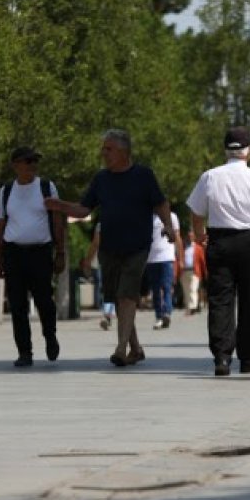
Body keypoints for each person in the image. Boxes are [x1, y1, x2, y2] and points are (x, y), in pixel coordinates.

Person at [46, 129, 175, 367]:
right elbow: (84, 210)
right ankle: (136, 348)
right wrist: (59, 205)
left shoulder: (143, 175)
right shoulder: (101, 179)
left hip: (137, 247)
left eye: (108, 149)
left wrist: (168, 225)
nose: (103, 153)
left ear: (124, 152)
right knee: (118, 296)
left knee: (127, 295)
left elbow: (160, 203)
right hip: (109, 248)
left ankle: (120, 348)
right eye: (103, 148)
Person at [186, 126, 250, 376]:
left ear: (225, 149)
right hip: (249, 242)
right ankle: (249, 358)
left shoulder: (210, 176)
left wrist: (199, 235)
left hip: (219, 241)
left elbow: (196, 211)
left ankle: (222, 357)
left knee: (220, 299)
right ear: (249, 150)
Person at [0, 147, 66, 367]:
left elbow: (57, 221)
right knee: (17, 305)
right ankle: (25, 351)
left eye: (35, 161)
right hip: (14, 253)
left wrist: (60, 252)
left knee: (45, 301)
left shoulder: (46, 187)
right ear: (16, 165)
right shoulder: (6, 191)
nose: (33, 164)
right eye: (28, 161)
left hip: (40, 252)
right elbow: (0, 226)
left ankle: (50, 336)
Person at [146, 212, 183, 330]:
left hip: (167, 257)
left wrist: (180, 257)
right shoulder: (147, 217)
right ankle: (159, 316)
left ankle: (166, 313)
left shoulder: (172, 216)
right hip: (151, 259)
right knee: (155, 289)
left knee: (167, 286)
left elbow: (177, 237)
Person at [82, 223, 116, 330]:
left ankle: (107, 313)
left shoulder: (102, 224)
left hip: (106, 259)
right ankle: (109, 313)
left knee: (107, 288)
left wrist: (88, 260)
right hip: (123, 259)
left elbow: (96, 243)